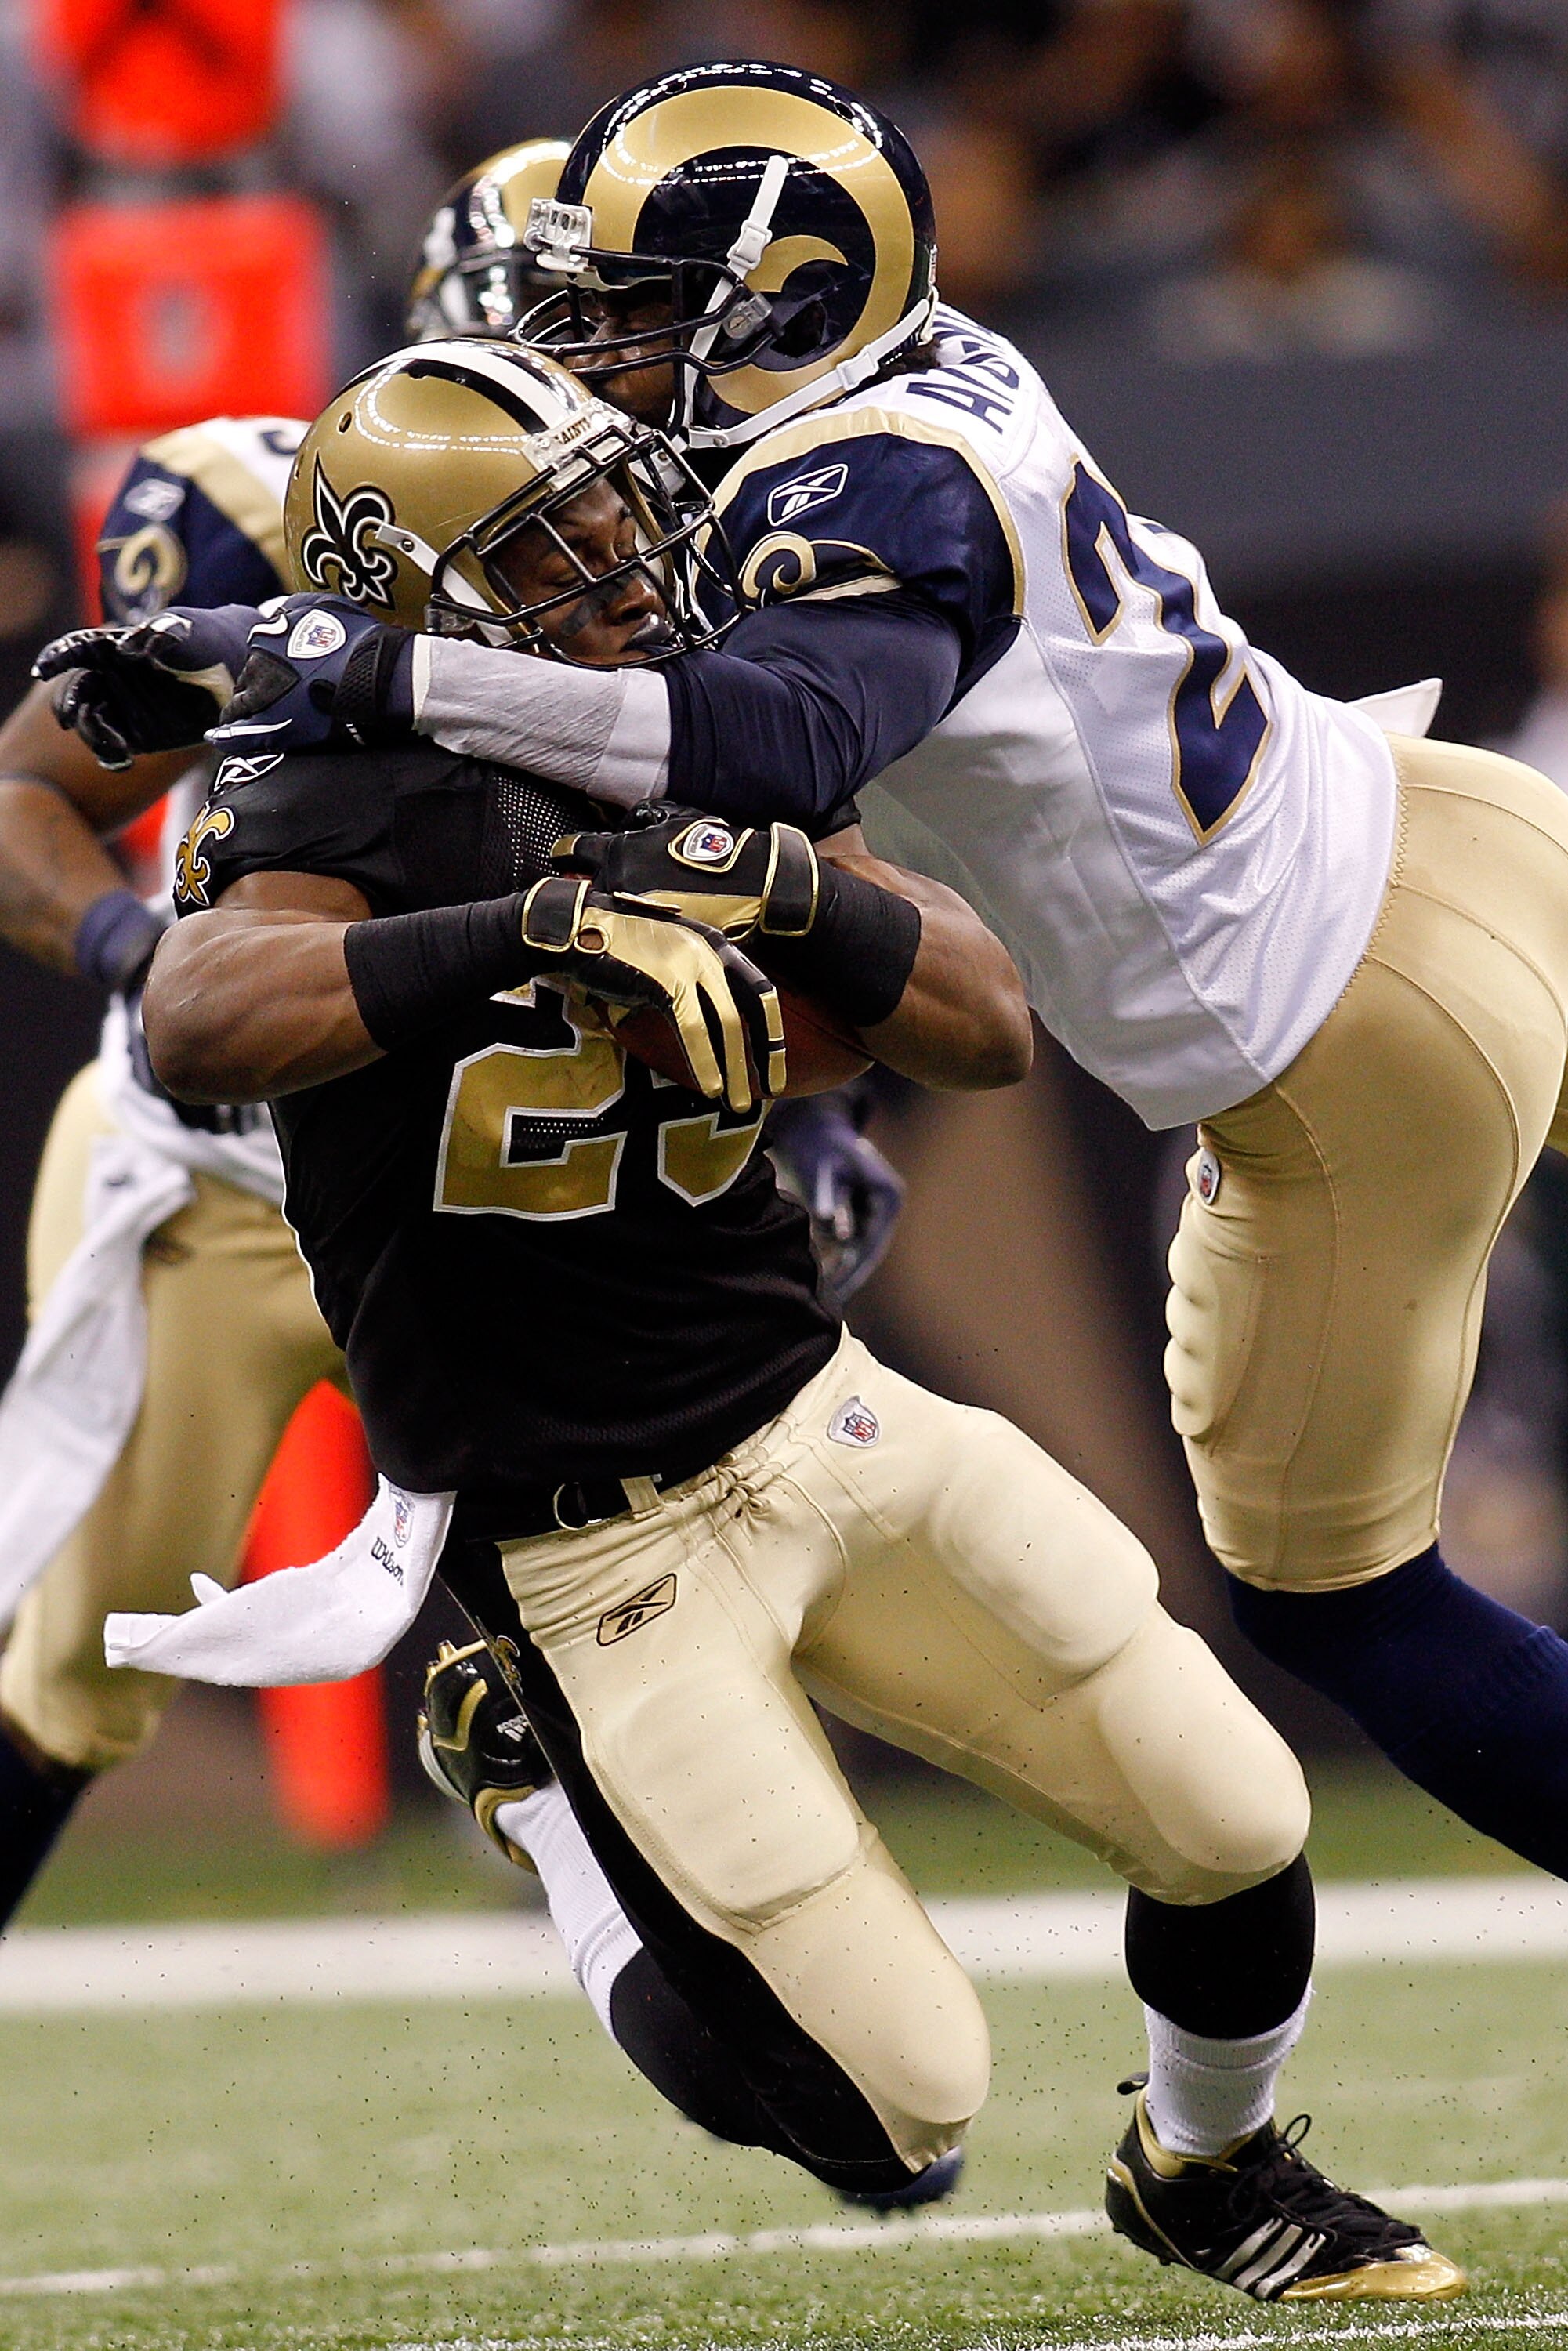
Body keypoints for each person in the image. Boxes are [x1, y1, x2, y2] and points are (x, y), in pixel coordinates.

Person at [89, 58, 1568, 1900]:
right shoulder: (918, 364)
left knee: (1339, 1603)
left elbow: (771, 745)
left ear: (785, 296)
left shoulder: (867, 469)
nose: (590, 345)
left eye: (633, 310)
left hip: (1345, 1040)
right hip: (1462, 828)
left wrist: (376, 672)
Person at [127, 335, 1457, 2305]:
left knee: (1235, 1814)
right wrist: (534, 926)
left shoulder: (666, 721)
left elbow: (982, 1026)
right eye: (548, 541)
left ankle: (1209, 2159)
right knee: (888, 2112)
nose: (614, 566)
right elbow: (199, 1018)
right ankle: (532, 1794)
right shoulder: (327, 784)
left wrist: (782, 885)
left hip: (816, 1410)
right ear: (411, 589)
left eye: (611, 512)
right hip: (588, 1548)